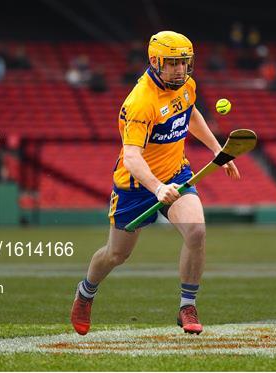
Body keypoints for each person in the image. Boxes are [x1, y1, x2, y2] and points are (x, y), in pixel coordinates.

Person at [70, 31, 240, 336]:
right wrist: (157, 188)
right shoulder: (140, 102)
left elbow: (190, 113)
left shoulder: (186, 85)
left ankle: (187, 305)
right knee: (116, 255)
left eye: (184, 62)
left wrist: (217, 149)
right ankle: (85, 292)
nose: (179, 69)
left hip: (177, 174)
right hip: (135, 186)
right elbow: (132, 157)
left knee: (196, 230)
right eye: (172, 63)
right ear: (155, 62)